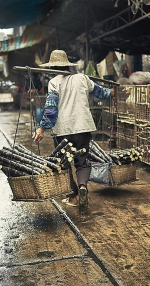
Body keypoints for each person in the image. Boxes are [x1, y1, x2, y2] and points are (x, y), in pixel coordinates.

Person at [33, 50, 114, 210]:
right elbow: (100, 92)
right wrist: (111, 92)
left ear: (52, 67)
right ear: (67, 65)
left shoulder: (54, 83)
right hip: (82, 127)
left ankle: (73, 196)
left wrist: (41, 128)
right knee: (82, 161)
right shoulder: (82, 78)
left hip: (63, 130)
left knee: (65, 164)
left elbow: (51, 109)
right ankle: (83, 187)